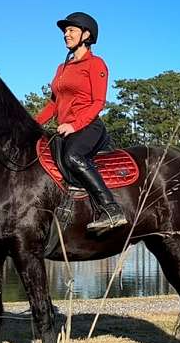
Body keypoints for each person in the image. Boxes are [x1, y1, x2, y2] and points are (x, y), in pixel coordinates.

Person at [35, 12, 128, 234]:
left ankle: (112, 209)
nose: (66, 35)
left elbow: (98, 103)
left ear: (86, 35)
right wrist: (30, 124)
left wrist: (74, 125)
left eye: (71, 30)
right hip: (64, 129)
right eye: (65, 31)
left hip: (87, 127)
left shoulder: (96, 64)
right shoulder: (62, 68)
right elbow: (54, 105)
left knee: (72, 157)